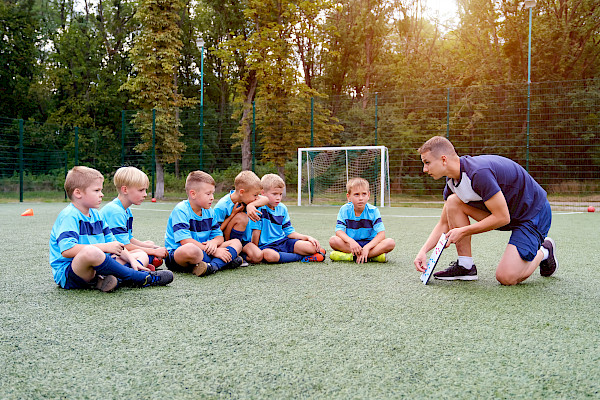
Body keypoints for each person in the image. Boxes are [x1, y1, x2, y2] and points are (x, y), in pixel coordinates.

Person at [413, 136, 558, 285]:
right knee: (453, 202)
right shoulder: (451, 181)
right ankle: (465, 266)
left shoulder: (478, 173)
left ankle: (545, 250)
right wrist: (423, 251)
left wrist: (463, 231)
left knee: (506, 277)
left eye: (427, 163)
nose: (425, 169)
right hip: (507, 213)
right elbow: (444, 223)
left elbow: (502, 218)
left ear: (444, 159)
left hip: (533, 213)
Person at [49, 166, 173, 292]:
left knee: (140, 255)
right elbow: (67, 250)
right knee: (91, 251)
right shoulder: (69, 215)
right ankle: (138, 277)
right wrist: (105, 247)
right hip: (71, 273)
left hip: (96, 270)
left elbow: (116, 244)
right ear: (78, 193)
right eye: (96, 190)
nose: (101, 194)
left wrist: (131, 260)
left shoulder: (96, 215)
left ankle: (112, 280)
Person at [164, 170, 243, 276]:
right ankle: (223, 262)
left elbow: (219, 237)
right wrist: (214, 252)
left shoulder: (209, 212)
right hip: (180, 255)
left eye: (213, 193)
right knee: (191, 250)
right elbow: (186, 242)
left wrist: (214, 243)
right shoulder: (181, 210)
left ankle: (212, 266)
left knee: (236, 243)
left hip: (205, 251)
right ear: (193, 194)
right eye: (208, 194)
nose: (212, 197)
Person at [100, 166, 168, 271]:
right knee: (143, 253)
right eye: (141, 190)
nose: (145, 194)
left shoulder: (126, 210)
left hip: (117, 251)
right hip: (108, 255)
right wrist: (154, 252)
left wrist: (152, 247)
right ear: (125, 190)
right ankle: (134, 268)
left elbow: (129, 238)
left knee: (149, 244)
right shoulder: (115, 211)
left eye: (145, 190)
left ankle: (142, 263)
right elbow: (124, 246)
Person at [248, 174, 325, 263]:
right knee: (270, 256)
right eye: (274, 194)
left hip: (283, 241)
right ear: (263, 193)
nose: (278, 198)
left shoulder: (282, 208)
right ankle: (302, 257)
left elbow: (289, 232)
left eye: (280, 194)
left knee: (312, 247)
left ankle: (304, 253)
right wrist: (255, 252)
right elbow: (255, 233)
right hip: (266, 246)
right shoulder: (258, 209)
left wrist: (307, 237)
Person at [329, 177, 396, 263]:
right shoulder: (344, 210)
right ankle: (372, 257)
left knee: (390, 243)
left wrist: (367, 247)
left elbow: (381, 234)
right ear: (348, 197)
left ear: (368, 195)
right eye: (356, 194)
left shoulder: (373, 211)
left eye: (364, 194)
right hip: (352, 245)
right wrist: (351, 242)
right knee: (333, 240)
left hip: (370, 244)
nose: (361, 198)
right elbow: (339, 231)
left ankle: (352, 256)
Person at [213, 170, 269, 264]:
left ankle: (239, 258)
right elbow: (216, 231)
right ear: (242, 192)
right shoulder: (222, 206)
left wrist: (251, 206)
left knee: (257, 256)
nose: (257, 198)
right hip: (227, 242)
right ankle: (233, 252)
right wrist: (232, 216)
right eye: (255, 195)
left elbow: (266, 199)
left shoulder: (248, 200)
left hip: (244, 242)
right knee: (242, 217)